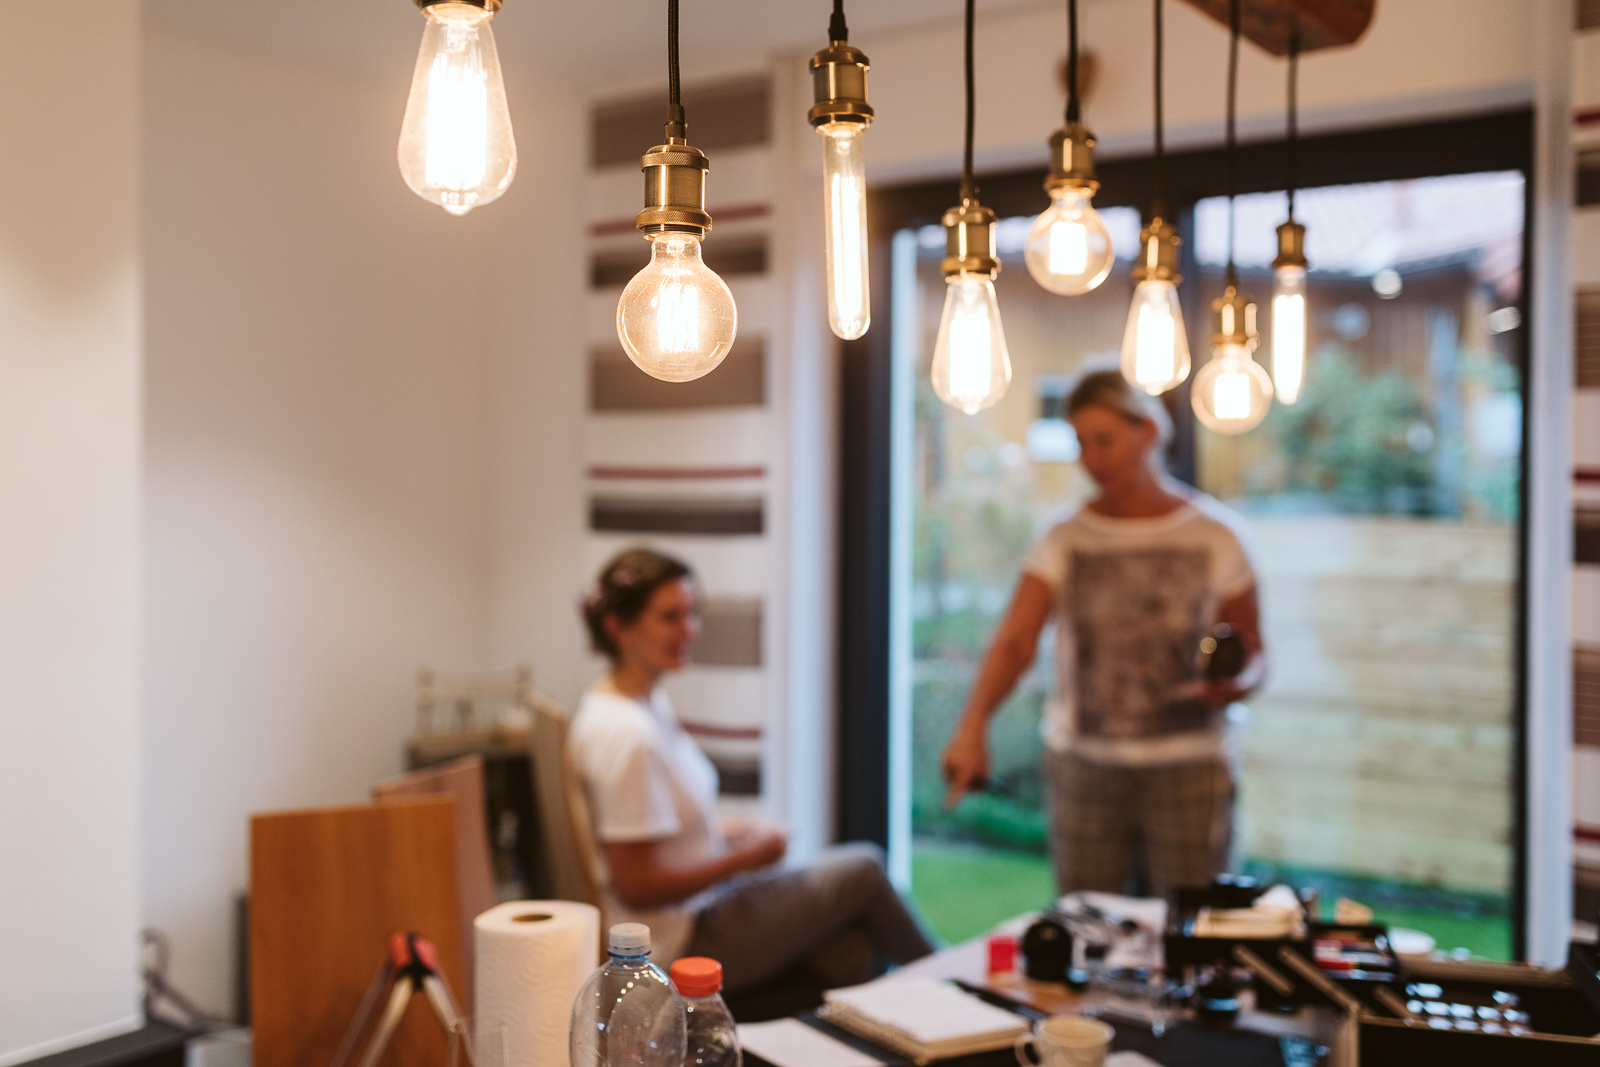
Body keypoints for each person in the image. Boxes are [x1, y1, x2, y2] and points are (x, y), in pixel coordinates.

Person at [940, 367, 1266, 900]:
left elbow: (1252, 651)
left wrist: (1238, 681)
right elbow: (1016, 641)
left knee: (1192, 939)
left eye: (1106, 440)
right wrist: (972, 727)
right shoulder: (1063, 536)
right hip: (1084, 772)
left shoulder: (1218, 535)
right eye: (1082, 444)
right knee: (1086, 932)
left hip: (1190, 770)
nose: (1093, 459)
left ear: (1150, 433)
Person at [570, 547, 934, 993]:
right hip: (683, 939)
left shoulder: (639, 706)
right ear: (618, 627)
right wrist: (744, 860)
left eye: (692, 613)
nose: (690, 629)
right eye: (670, 617)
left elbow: (656, 831)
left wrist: (733, 832)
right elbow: (637, 884)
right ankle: (953, 986)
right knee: (864, 868)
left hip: (702, 910)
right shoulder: (626, 735)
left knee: (851, 953)